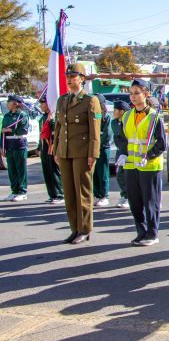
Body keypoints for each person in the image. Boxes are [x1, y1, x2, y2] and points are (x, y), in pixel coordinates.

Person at [53, 63, 102, 244]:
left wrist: (93, 154)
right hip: (65, 152)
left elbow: (95, 131)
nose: (69, 79)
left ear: (82, 79)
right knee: (69, 192)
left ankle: (85, 229)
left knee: (82, 192)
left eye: (73, 76)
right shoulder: (62, 100)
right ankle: (74, 228)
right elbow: (59, 127)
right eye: (68, 76)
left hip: (82, 152)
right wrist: (56, 150)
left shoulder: (90, 101)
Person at [119, 79, 166, 246]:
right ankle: (141, 232)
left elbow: (162, 143)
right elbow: (122, 138)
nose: (133, 96)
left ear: (146, 94)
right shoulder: (126, 115)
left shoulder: (155, 117)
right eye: (131, 93)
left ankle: (152, 234)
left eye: (137, 93)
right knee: (135, 202)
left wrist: (150, 155)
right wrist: (123, 153)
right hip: (131, 165)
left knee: (150, 201)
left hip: (149, 166)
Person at [2, 95, 29, 202]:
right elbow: (2, 132)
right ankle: (14, 191)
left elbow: (24, 131)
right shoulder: (7, 116)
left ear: (15, 104)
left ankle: (22, 192)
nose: (7, 104)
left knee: (20, 169)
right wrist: (2, 147)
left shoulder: (22, 115)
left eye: (9, 102)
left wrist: (11, 131)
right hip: (9, 145)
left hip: (19, 145)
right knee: (12, 170)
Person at [38, 96, 63, 204]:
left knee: (54, 171)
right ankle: (52, 194)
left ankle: (59, 194)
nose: (41, 106)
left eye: (43, 104)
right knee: (47, 171)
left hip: (53, 147)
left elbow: (56, 131)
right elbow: (42, 135)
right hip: (45, 147)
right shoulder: (43, 117)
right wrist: (39, 148)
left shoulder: (54, 117)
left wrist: (52, 121)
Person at [92, 94, 112, 207]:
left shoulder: (106, 117)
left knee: (103, 173)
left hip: (103, 148)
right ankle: (97, 194)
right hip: (94, 149)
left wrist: (98, 143)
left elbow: (107, 134)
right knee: (94, 173)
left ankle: (104, 195)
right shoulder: (93, 115)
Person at [111, 100, 130, 209]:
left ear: (122, 111)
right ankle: (124, 195)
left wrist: (126, 153)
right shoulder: (114, 122)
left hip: (129, 151)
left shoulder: (128, 122)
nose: (113, 112)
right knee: (119, 175)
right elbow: (117, 137)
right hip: (120, 151)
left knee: (128, 175)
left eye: (115, 110)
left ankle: (128, 197)